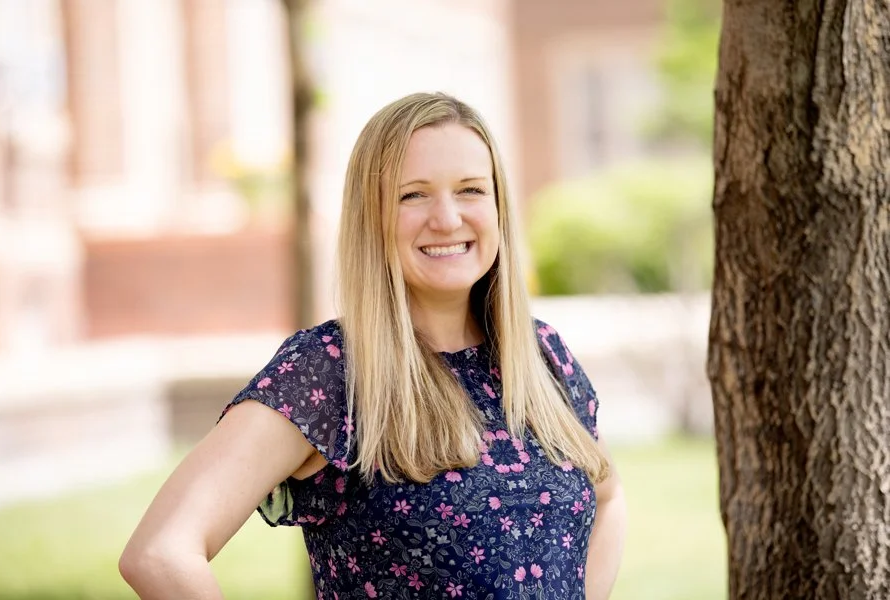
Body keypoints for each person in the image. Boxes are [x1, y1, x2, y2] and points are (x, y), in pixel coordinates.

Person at [120, 92, 627, 599]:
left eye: (471, 189)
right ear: (373, 216)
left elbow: (607, 498)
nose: (447, 218)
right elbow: (160, 553)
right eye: (413, 195)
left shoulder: (541, 355)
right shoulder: (330, 372)